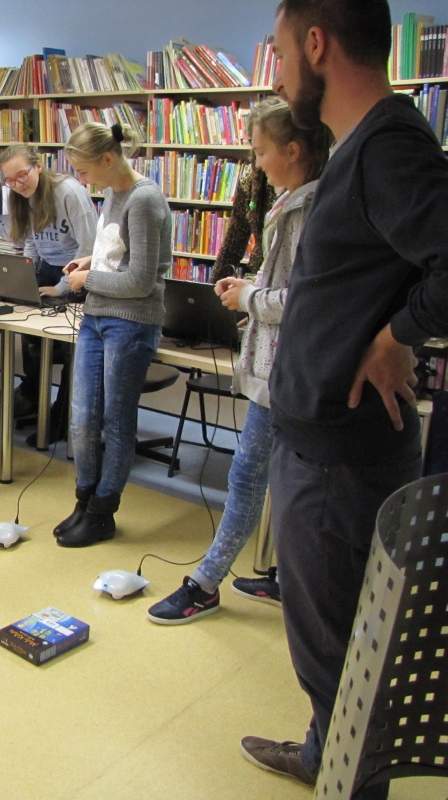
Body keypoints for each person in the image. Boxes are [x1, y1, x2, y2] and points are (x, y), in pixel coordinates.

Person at [240, 1, 448, 793]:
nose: (277, 73)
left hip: (337, 456)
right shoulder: (358, 146)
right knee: (331, 644)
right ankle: (322, 752)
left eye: (280, 52)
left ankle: (345, 778)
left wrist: (398, 335)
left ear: (316, 44)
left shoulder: (387, 144)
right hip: (318, 443)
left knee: (339, 654)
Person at [146, 98, 332, 623]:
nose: (256, 163)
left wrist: (250, 297)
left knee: (250, 475)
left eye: (260, 151)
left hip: (291, 370)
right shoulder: (290, 199)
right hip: (279, 365)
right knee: (276, 478)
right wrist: (242, 287)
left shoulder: (314, 210)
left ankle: (205, 584)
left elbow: (309, 301)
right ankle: (286, 577)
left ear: (292, 151)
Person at [49, 122, 170, 548]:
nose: (81, 180)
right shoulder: (113, 193)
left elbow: (140, 281)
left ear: (107, 159)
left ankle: (103, 512)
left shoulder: (144, 199)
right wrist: (90, 260)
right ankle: (84, 500)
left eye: (83, 171)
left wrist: (89, 279)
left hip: (131, 321)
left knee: (115, 421)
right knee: (81, 418)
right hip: (97, 317)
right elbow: (119, 256)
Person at [0, 144, 97, 444]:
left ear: (38, 166)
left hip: (77, 273)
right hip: (47, 270)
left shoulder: (68, 192)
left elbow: (90, 246)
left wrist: (62, 287)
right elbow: (32, 242)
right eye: (10, 180)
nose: (18, 184)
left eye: (22, 175)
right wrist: (25, 275)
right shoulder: (21, 198)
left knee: (71, 351)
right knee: (32, 341)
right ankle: (34, 398)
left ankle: (62, 419)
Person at [209, 158, 276, 283]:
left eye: (262, 153)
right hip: (258, 274)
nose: (258, 162)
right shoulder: (250, 178)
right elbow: (233, 242)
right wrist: (214, 287)